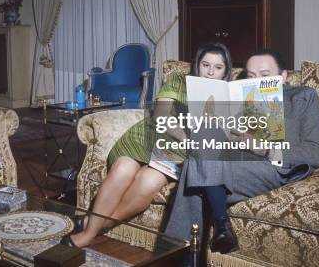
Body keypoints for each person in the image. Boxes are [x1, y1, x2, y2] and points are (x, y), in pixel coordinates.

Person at [164, 50, 319, 266]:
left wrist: (266, 149)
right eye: (251, 76)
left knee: (193, 171)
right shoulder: (239, 97)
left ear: (283, 76)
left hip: (277, 165)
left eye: (265, 74)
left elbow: (316, 153)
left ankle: (186, 256)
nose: (256, 81)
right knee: (204, 140)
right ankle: (222, 227)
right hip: (235, 160)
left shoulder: (303, 96)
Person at [63, 42, 233, 248]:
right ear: (197, 65)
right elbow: (161, 115)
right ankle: (89, 235)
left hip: (174, 156)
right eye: (206, 65)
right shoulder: (179, 81)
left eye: (218, 67)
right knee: (123, 169)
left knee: (148, 182)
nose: (210, 72)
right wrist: (191, 139)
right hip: (146, 139)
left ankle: (92, 225)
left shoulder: (229, 97)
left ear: (225, 72)